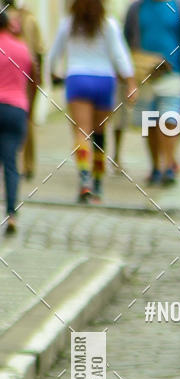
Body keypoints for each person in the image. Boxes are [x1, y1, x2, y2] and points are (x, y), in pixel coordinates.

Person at [48, 0, 137, 203]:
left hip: (77, 78)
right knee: (100, 133)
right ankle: (97, 184)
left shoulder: (68, 23)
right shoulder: (109, 24)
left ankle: (84, 181)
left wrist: (52, 72)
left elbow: (54, 53)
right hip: (105, 80)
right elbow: (120, 55)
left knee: (81, 132)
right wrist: (131, 82)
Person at [124, 0, 180, 186]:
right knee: (150, 123)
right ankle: (155, 167)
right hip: (145, 75)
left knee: (169, 120)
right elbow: (126, 43)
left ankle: (168, 165)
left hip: (173, 75)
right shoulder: (136, 9)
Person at [0, 8, 32, 234]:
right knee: (11, 164)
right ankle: (12, 214)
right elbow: (33, 78)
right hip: (16, 109)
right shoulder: (22, 49)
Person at [5, 0, 43, 180]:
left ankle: (15, 164)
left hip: (8, 76)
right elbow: (40, 51)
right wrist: (39, 78)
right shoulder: (30, 19)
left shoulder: (7, 19)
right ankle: (29, 165)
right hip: (29, 76)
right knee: (28, 119)